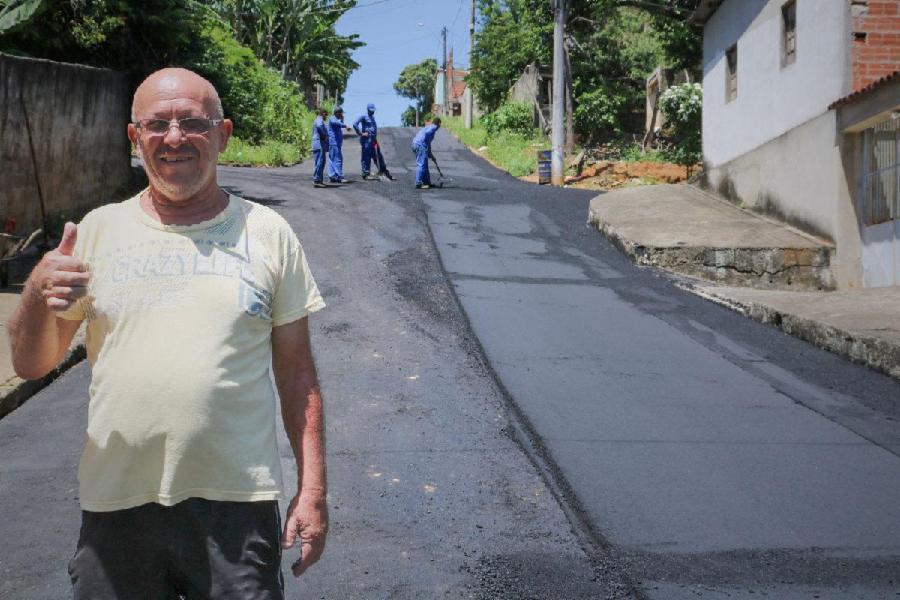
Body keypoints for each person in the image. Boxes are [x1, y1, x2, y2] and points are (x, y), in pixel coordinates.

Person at [8, 68, 328, 599]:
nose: (174, 137)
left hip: (237, 505)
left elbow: (298, 376)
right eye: (157, 124)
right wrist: (38, 292)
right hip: (117, 505)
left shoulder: (269, 234)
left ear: (222, 134)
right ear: (135, 139)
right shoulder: (95, 233)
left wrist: (312, 488)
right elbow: (31, 364)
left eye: (192, 123)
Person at [352, 103, 394, 180]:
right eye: (371, 110)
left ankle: (383, 171)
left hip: (373, 140)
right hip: (366, 140)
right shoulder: (363, 116)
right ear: (367, 110)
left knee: (378, 156)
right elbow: (355, 124)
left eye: (373, 110)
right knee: (366, 157)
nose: (372, 112)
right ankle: (366, 174)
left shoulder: (372, 117)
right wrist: (361, 133)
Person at [411, 117, 441, 189]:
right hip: (420, 145)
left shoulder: (427, 127)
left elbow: (428, 144)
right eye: (439, 125)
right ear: (438, 124)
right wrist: (423, 143)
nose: (439, 127)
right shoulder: (433, 127)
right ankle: (418, 183)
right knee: (421, 164)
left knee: (425, 164)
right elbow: (427, 134)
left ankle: (426, 182)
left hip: (415, 145)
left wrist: (431, 155)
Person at [327, 106, 349, 184]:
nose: (341, 115)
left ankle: (332, 176)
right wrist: (345, 125)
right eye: (340, 113)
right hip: (334, 143)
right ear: (337, 113)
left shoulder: (337, 120)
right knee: (338, 159)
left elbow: (339, 124)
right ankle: (339, 177)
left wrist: (342, 120)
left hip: (336, 144)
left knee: (332, 159)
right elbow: (337, 123)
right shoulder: (332, 118)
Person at [312, 107, 329, 188]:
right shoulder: (319, 119)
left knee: (319, 162)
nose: (326, 117)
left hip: (317, 143)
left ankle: (319, 180)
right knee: (320, 162)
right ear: (323, 114)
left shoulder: (317, 119)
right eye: (326, 115)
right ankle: (317, 180)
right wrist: (323, 135)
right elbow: (319, 126)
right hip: (319, 143)